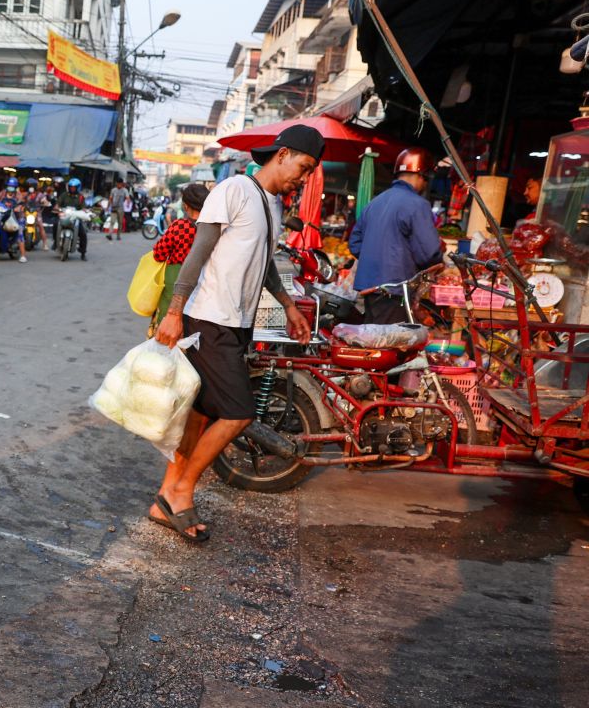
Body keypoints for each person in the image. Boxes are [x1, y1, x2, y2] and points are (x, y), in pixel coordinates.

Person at [154, 125, 321, 542]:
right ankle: (181, 490)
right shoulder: (233, 190)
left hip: (236, 323)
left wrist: (287, 305)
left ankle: (164, 496)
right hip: (209, 318)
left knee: (202, 413)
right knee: (239, 412)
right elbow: (199, 251)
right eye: (303, 168)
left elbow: (262, 264)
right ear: (282, 154)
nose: (302, 179)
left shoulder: (271, 204)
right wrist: (174, 312)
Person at [349, 147, 444, 325]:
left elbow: (355, 244)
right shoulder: (418, 205)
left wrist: (376, 260)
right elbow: (429, 254)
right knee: (391, 347)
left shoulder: (374, 202)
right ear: (421, 175)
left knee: (374, 343)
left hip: (369, 289)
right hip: (396, 289)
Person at [149, 183, 209, 335]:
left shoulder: (180, 226)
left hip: (175, 283)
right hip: (202, 285)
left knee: (166, 327)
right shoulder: (211, 228)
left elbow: (158, 253)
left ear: (185, 206)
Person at [0, 177, 27, 263]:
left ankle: (23, 256)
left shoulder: (18, 195)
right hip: (4, 215)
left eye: (12, 187)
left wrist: (19, 207)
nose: (10, 188)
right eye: (9, 186)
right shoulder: (3, 192)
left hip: (18, 217)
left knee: (20, 233)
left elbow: (21, 204)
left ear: (15, 188)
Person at [57, 177, 90, 261]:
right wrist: (57, 209)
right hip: (64, 216)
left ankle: (83, 253)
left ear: (78, 187)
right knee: (54, 225)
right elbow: (58, 204)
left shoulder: (81, 197)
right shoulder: (64, 195)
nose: (72, 188)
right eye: (71, 187)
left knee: (83, 234)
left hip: (76, 218)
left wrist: (85, 211)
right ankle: (55, 242)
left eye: (74, 187)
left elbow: (84, 207)